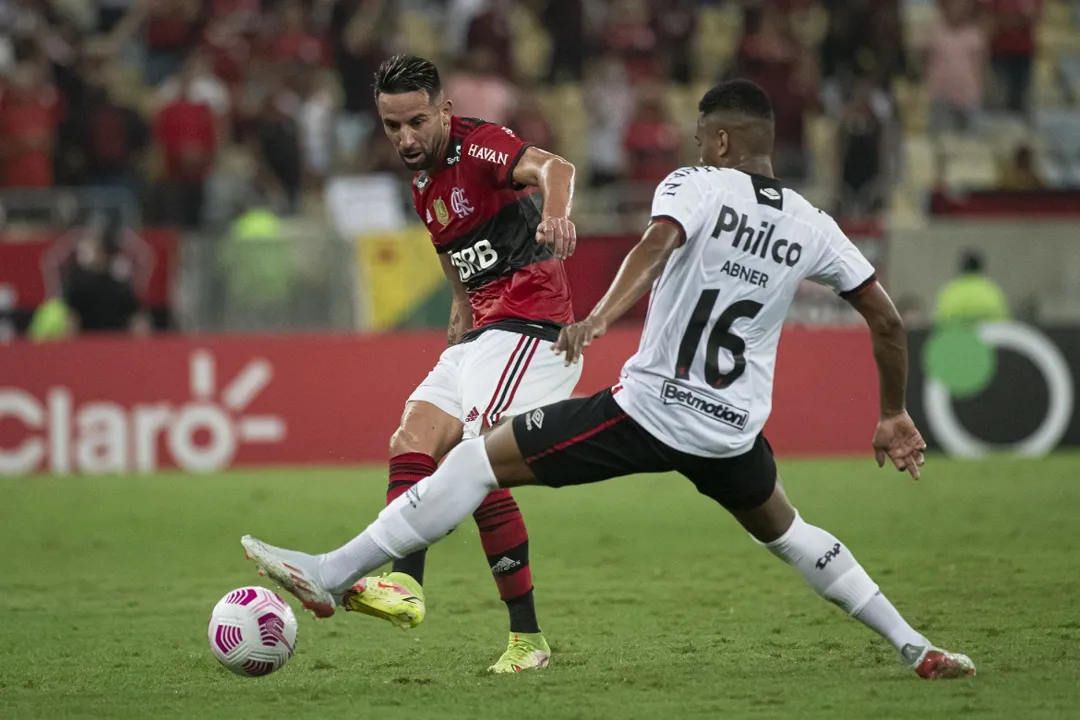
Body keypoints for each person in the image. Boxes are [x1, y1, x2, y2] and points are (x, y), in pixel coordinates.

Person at [242, 79, 975, 680]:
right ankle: (916, 645)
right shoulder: (815, 224)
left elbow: (657, 245)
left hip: (648, 413)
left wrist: (597, 317)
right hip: (729, 433)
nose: (695, 148)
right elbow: (884, 320)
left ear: (718, 142)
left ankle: (336, 572)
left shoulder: (697, 183)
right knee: (790, 534)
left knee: (473, 459)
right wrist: (892, 415)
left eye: (699, 139)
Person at [280, 54, 579, 673]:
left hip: (530, 323)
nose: (405, 139)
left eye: (416, 122)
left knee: (475, 459)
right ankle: (406, 587)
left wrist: (556, 212)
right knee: (411, 439)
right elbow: (452, 248)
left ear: (444, 110)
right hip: (482, 331)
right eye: (392, 127)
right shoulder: (422, 183)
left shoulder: (480, 147)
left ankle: (528, 641)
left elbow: (555, 166)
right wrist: (458, 300)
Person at [933, 250, 1010, 325]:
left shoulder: (950, 293)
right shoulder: (992, 292)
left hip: (958, 336)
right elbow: (1003, 323)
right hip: (987, 337)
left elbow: (940, 323)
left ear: (961, 269)